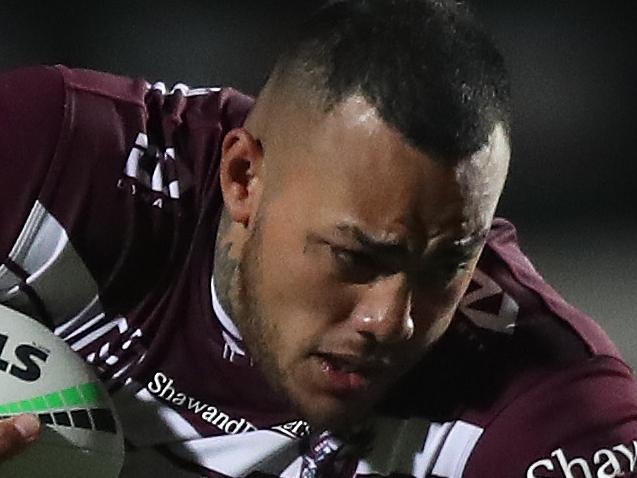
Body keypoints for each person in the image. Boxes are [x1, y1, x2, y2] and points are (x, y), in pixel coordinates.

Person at [1, 0, 636, 476]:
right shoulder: (53, 160)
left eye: (447, 265)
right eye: (356, 256)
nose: (392, 321)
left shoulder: (542, 393)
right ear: (243, 179)